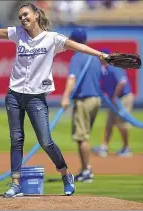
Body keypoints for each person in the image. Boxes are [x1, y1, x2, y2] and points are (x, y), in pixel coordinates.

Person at [0, 3, 108, 197]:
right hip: (14, 94)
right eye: (20, 17)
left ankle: (66, 174)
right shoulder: (18, 33)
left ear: (36, 15)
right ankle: (15, 184)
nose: (22, 19)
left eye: (25, 15)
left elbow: (78, 46)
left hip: (36, 98)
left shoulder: (52, 39)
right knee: (16, 140)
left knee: (45, 141)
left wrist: (100, 54)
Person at [61, 28, 102, 183]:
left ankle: (87, 171)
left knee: (81, 137)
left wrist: (65, 96)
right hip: (96, 100)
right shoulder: (94, 57)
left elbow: (72, 78)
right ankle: (85, 169)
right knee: (85, 135)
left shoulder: (78, 57)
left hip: (84, 100)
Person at [92, 49, 134, 158]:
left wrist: (114, 96)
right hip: (114, 100)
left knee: (121, 123)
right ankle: (104, 147)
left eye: (100, 56)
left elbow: (122, 82)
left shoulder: (114, 66)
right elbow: (102, 86)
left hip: (124, 98)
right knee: (109, 122)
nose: (99, 59)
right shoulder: (104, 70)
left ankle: (126, 148)